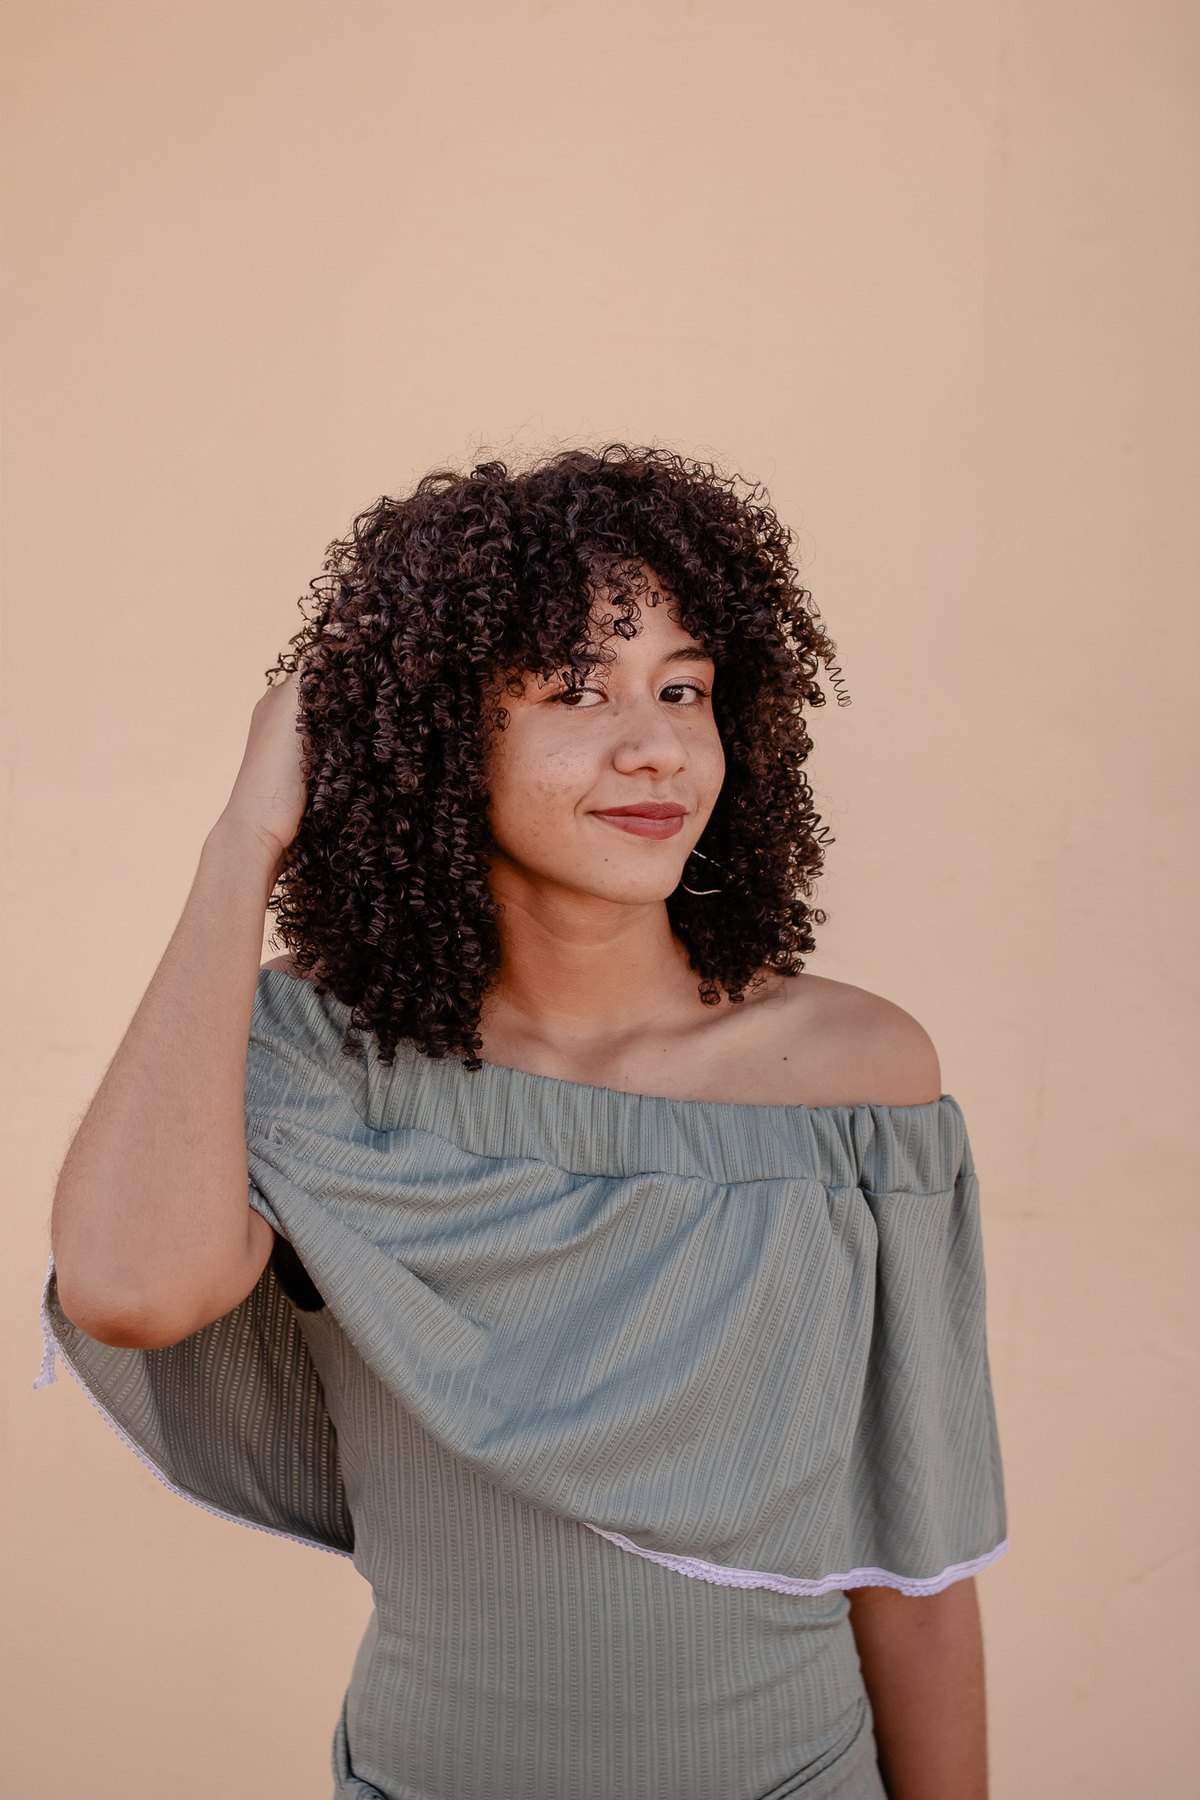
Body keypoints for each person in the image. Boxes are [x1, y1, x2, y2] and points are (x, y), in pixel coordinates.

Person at [48, 446, 1006, 1800]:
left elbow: (914, 1557)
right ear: (442, 736)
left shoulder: (854, 1075)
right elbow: (129, 1289)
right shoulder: (318, 1061)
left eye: (685, 688)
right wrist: (241, 841)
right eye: (576, 691)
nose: (656, 745)